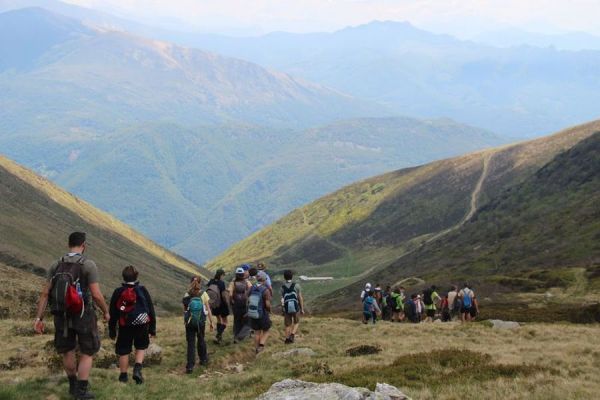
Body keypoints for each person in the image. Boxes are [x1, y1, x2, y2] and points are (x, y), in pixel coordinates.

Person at [33, 232, 109, 400]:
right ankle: (81, 391)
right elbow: (96, 295)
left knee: (67, 349)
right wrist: (106, 311)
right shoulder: (88, 265)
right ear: (84, 245)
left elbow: (45, 293)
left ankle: (72, 386)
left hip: (61, 314)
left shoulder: (56, 264)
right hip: (83, 314)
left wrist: (38, 318)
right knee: (87, 351)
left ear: (69, 244)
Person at [108, 265, 156, 384]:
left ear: (123, 277)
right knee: (141, 346)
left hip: (125, 325)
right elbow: (150, 309)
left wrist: (112, 330)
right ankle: (137, 369)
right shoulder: (142, 289)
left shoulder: (118, 291)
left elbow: (113, 312)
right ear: (136, 276)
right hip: (142, 324)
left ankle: (123, 376)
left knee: (123, 350)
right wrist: (152, 329)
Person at [183, 277, 214, 373]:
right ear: (200, 283)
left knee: (191, 343)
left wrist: (185, 321)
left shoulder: (187, 294)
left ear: (190, 283)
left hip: (190, 322)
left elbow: (184, 310)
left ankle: (190, 366)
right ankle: (203, 360)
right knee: (201, 339)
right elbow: (208, 309)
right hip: (201, 322)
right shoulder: (203, 294)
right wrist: (211, 322)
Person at [248, 271, 272, 354]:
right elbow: (267, 304)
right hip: (262, 314)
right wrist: (269, 311)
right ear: (264, 279)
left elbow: (247, 298)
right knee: (266, 330)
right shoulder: (265, 290)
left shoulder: (251, 288)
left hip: (253, 313)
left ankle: (256, 349)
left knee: (257, 332)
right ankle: (261, 345)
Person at [228, 267, 252, 343]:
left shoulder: (233, 283)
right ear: (242, 274)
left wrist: (231, 301)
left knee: (237, 320)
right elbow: (251, 289)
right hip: (245, 303)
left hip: (236, 304)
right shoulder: (246, 282)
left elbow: (230, 294)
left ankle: (236, 336)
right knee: (247, 320)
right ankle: (240, 336)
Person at [281, 270, 304, 344]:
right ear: (292, 276)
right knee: (296, 322)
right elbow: (300, 298)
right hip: (295, 307)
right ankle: (292, 335)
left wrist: (283, 309)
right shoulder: (296, 286)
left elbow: (282, 299)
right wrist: (302, 309)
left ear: (284, 277)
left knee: (288, 324)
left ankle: (287, 339)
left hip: (287, 308)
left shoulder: (282, 287)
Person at [207, 269, 230, 344]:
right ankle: (218, 335)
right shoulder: (221, 283)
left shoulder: (211, 281)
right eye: (223, 275)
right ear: (221, 275)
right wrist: (227, 302)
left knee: (219, 320)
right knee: (225, 322)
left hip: (214, 304)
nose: (223, 277)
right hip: (221, 304)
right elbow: (223, 295)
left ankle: (219, 338)